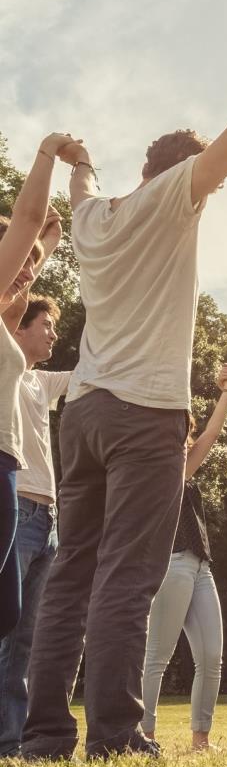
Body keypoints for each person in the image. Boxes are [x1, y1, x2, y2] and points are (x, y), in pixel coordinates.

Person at [22, 18, 227, 761]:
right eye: (209, 180)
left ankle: (42, 733)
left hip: (87, 413)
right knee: (127, 576)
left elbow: (84, 183)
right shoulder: (177, 197)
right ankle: (113, 735)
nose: (214, 188)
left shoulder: (95, 217)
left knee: (72, 574)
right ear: (185, 174)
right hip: (143, 416)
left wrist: (77, 159)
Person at [0, 136, 78, 641]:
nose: (24, 270)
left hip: (7, 469)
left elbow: (21, 277)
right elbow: (26, 222)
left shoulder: (6, 323)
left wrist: (44, 248)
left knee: (7, 615)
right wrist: (48, 153)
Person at [141, 363, 227, 752]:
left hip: (200, 567)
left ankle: (201, 739)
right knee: (157, 657)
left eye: (186, 431)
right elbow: (212, 436)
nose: (186, 437)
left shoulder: (183, 467)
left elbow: (210, 433)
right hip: (174, 564)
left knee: (212, 655)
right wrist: (226, 393)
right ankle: (144, 734)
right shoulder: (161, 470)